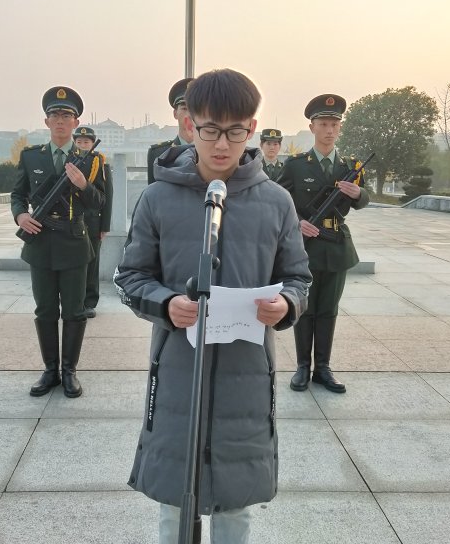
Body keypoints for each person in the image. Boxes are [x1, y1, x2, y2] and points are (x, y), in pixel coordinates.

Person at [115, 69, 311, 543]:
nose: (222, 144)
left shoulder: (276, 202)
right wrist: (166, 304)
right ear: (189, 125)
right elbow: (130, 276)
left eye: (235, 131)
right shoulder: (158, 198)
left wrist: (285, 304)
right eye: (210, 130)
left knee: (235, 508)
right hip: (178, 369)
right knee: (173, 507)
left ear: (252, 128)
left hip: (246, 372)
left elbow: (300, 278)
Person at [11, 86, 106, 398]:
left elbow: (98, 203)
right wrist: (20, 216)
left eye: (66, 116)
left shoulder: (90, 160)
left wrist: (83, 185)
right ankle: (50, 370)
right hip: (39, 244)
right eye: (55, 115)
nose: (60, 120)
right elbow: (18, 194)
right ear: (46, 121)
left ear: (76, 122)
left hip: (74, 244)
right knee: (45, 310)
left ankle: (69, 371)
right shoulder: (31, 156)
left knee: (75, 312)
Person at [277, 93, 369, 394]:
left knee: (329, 309)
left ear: (339, 128)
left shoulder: (350, 166)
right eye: (323, 124)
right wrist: (296, 222)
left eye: (334, 124)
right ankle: (303, 367)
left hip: (337, 246)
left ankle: (323, 368)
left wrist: (358, 194)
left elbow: (364, 200)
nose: (329, 130)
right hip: (306, 247)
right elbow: (277, 201)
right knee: (304, 308)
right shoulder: (296, 165)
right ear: (312, 127)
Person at [72, 125, 113, 318]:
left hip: (93, 222)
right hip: (72, 220)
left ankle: (89, 302)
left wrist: (104, 226)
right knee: (73, 264)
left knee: (92, 263)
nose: (83, 145)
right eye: (79, 142)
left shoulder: (100, 162)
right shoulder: (69, 160)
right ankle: (74, 301)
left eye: (86, 142)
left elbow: (107, 196)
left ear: (92, 143)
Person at [146, 77, 194, 184]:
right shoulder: (159, 153)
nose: (190, 114)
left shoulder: (210, 152)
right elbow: (153, 191)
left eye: (195, 109)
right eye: (184, 108)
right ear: (175, 114)